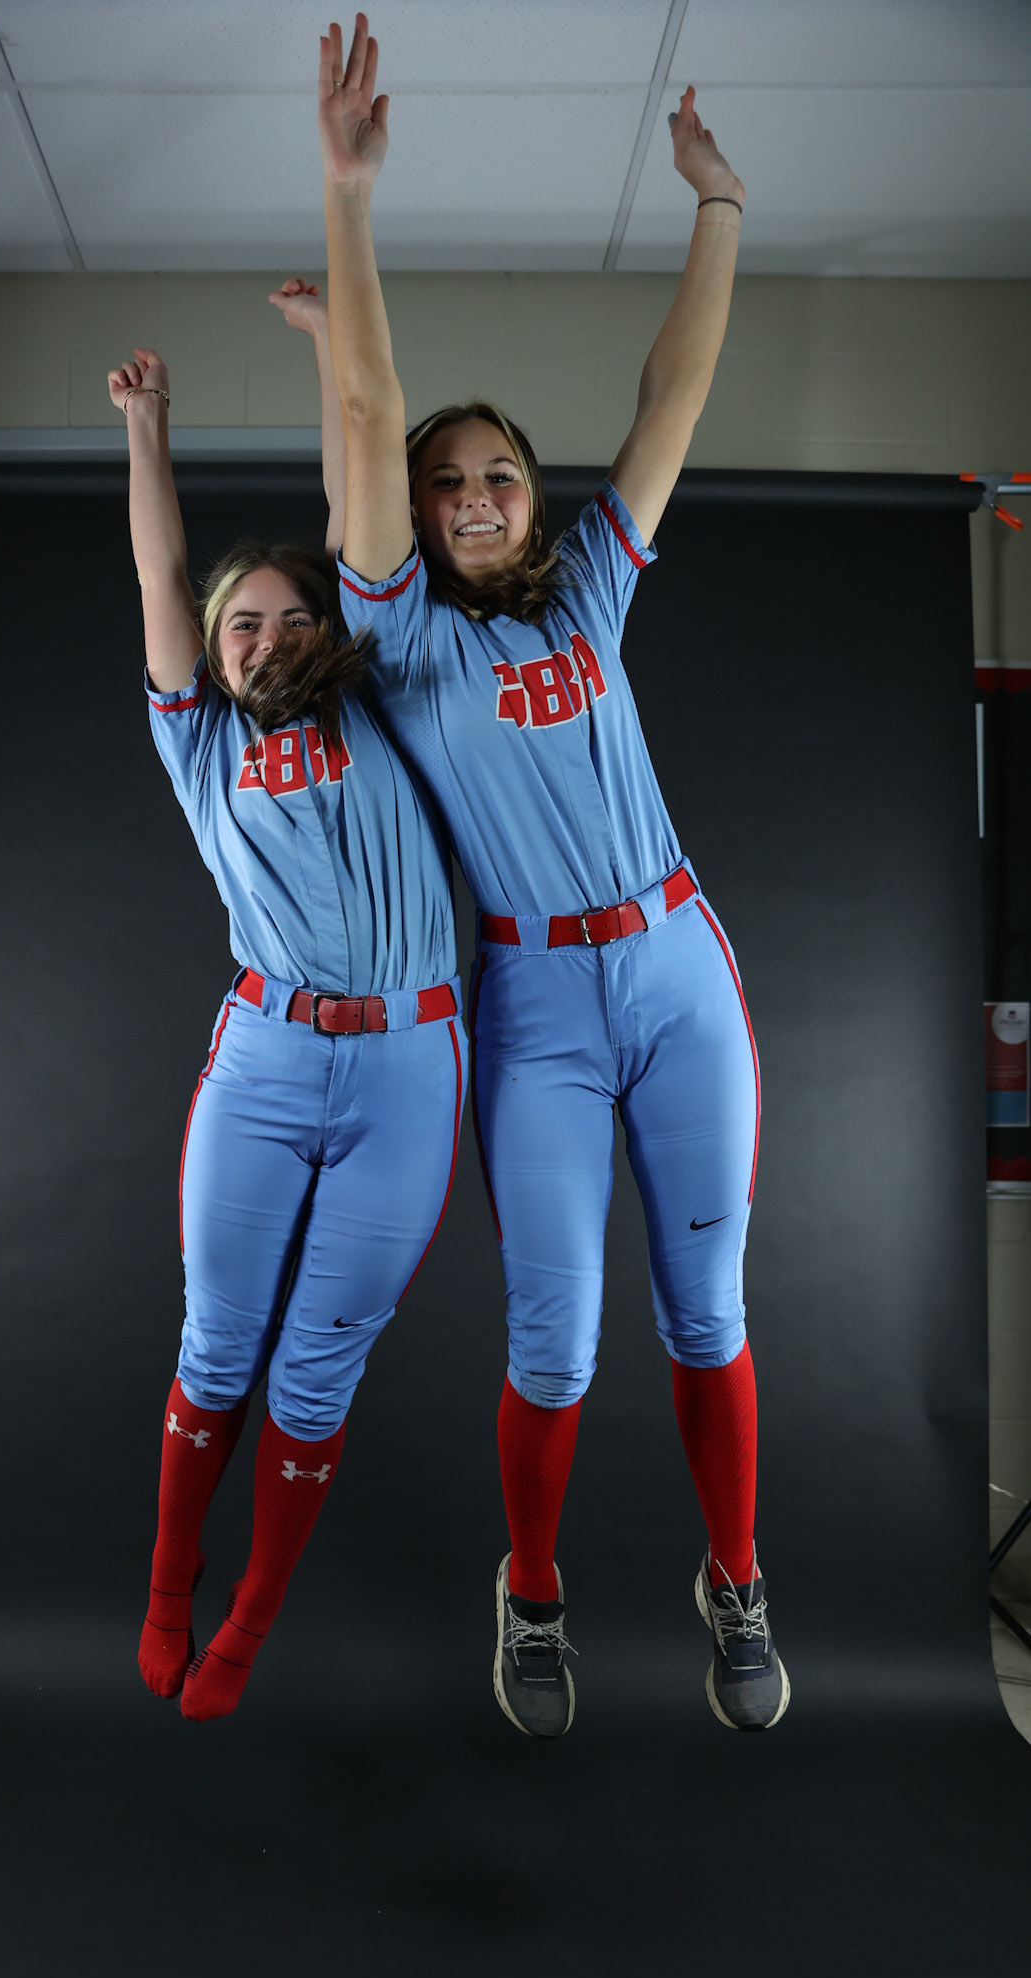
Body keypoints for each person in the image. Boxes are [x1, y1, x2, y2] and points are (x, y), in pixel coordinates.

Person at [315, 13, 787, 1735]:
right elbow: (367, 410)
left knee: (707, 1302)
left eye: (498, 471)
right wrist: (347, 201)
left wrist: (715, 207)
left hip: (671, 966)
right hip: (532, 996)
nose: (472, 495)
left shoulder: (590, 588)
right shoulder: (402, 637)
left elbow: (669, 394)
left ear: (535, 492)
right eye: (445, 487)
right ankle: (532, 1592)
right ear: (422, 523)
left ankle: (732, 1573)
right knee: (556, 1338)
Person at [111, 326, 466, 1722]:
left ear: (327, 628)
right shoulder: (202, 747)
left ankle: (250, 1623)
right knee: (217, 1343)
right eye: (239, 621)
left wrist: (335, 359)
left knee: (317, 1369)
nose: (263, 635)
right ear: (215, 650)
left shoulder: (387, 700)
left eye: (286, 614)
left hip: (404, 1069)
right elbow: (157, 572)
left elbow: (356, 508)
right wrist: (150, 426)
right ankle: (168, 1583)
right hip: (262, 1060)